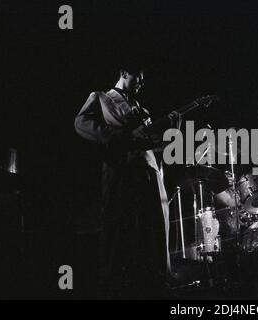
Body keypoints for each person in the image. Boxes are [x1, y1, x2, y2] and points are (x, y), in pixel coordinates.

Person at [74, 64, 180, 298]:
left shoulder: (141, 108)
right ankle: (114, 285)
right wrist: (117, 138)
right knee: (119, 225)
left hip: (149, 169)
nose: (142, 82)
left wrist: (172, 130)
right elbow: (81, 123)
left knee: (154, 227)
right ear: (124, 73)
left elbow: (153, 141)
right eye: (138, 77)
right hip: (121, 169)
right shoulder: (101, 97)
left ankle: (157, 282)